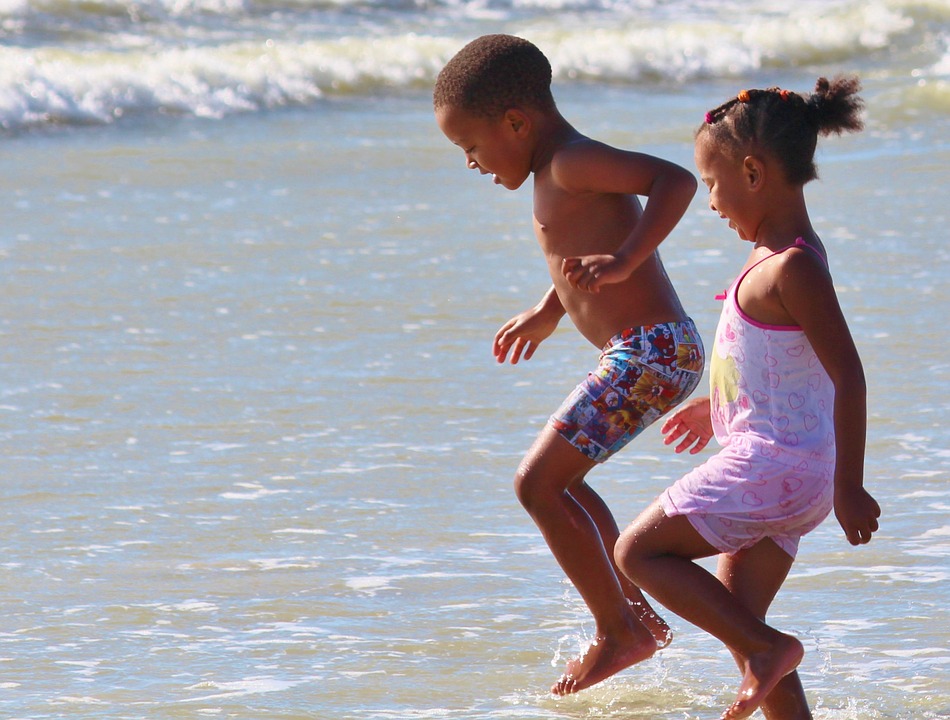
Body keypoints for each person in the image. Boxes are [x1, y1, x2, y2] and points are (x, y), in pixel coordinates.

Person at [433, 34, 705, 695]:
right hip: (650, 354)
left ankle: (622, 630)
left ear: (517, 123)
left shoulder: (574, 161)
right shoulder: (556, 172)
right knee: (567, 486)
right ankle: (635, 618)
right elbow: (580, 254)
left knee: (536, 485)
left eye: (471, 146)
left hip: (651, 350)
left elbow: (675, 179)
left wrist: (632, 259)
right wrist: (550, 309)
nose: (470, 163)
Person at [614, 77, 882, 720]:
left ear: (754, 172)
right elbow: (782, 360)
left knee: (637, 553)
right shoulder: (781, 258)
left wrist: (852, 484)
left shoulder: (793, 266)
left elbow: (850, 374)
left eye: (712, 182)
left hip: (776, 465)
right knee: (747, 633)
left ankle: (767, 652)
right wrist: (718, 405)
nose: (710, 202)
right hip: (788, 470)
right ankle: (771, 669)